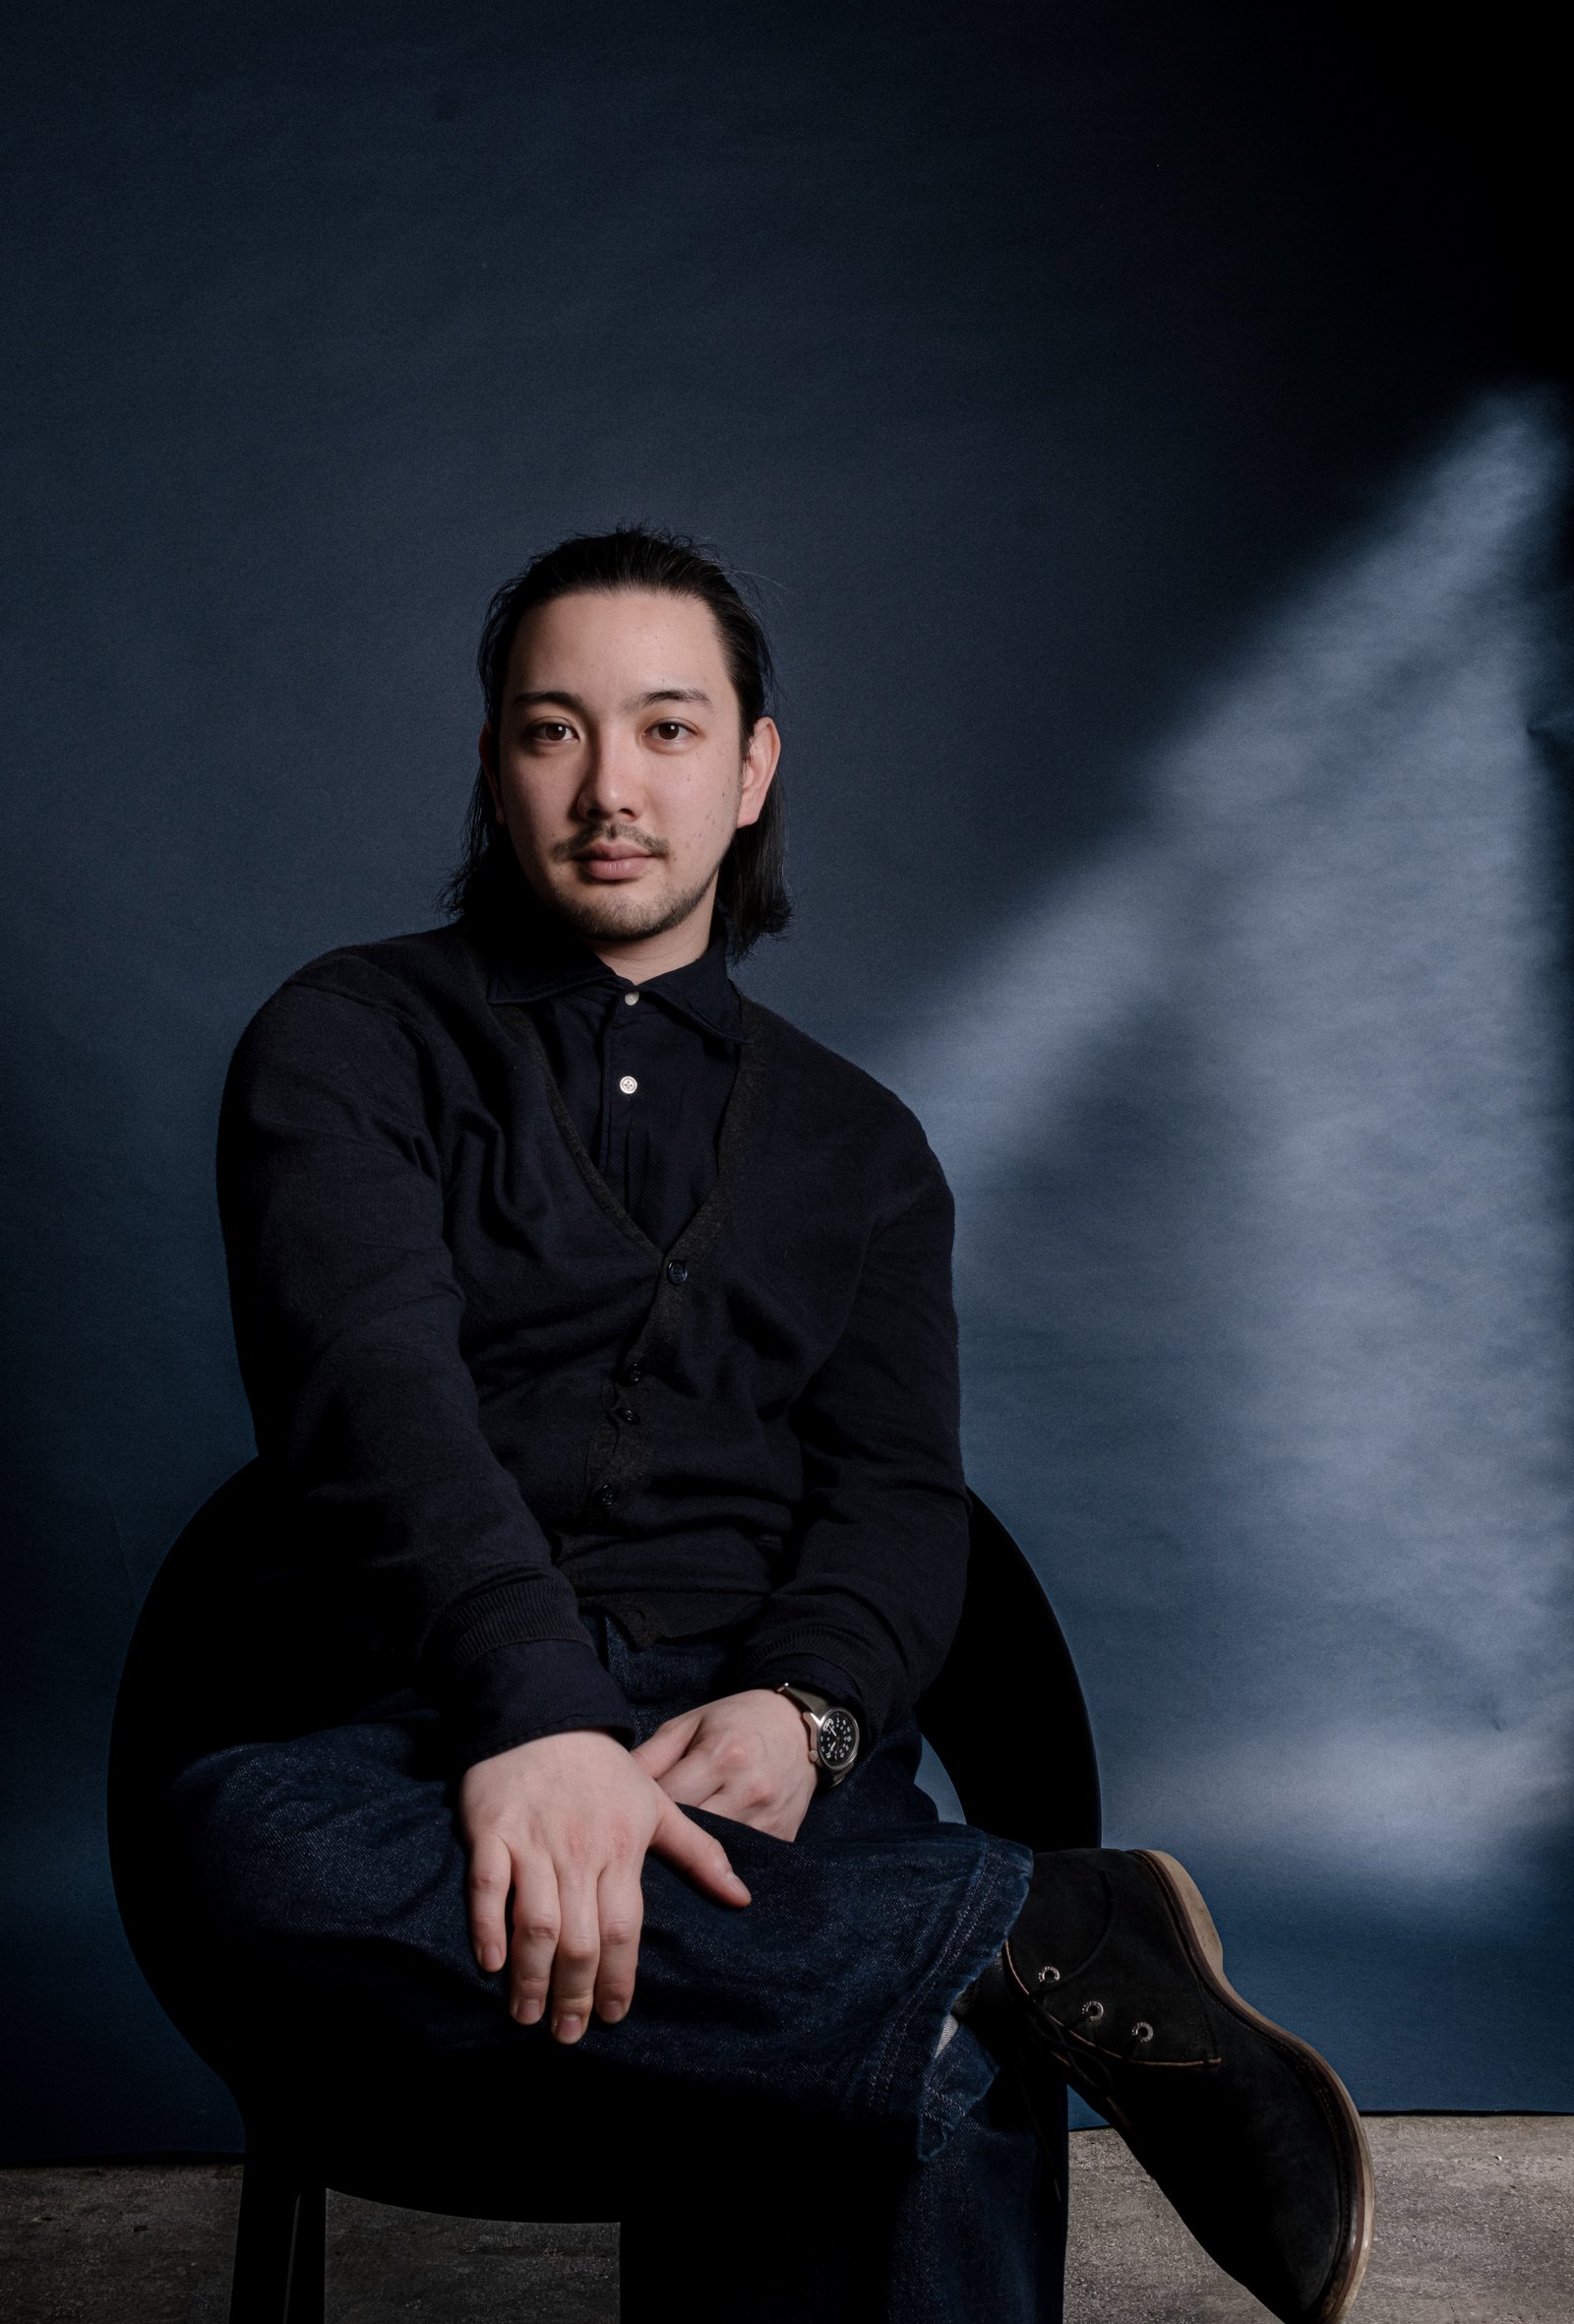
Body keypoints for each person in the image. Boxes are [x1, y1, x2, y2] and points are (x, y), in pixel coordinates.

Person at [119, 527, 1372, 2323]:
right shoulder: (346, 1038)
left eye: (669, 729)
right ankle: (1022, 1942)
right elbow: (366, 1395)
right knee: (244, 1857)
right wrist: (535, 1721)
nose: (612, 786)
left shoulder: (863, 1148)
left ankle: (929, 1960)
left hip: (751, 1763)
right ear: (493, 762)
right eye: (554, 731)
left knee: (883, 2031)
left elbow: (895, 1498)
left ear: (753, 766)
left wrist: (811, 1713)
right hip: (403, 1744)